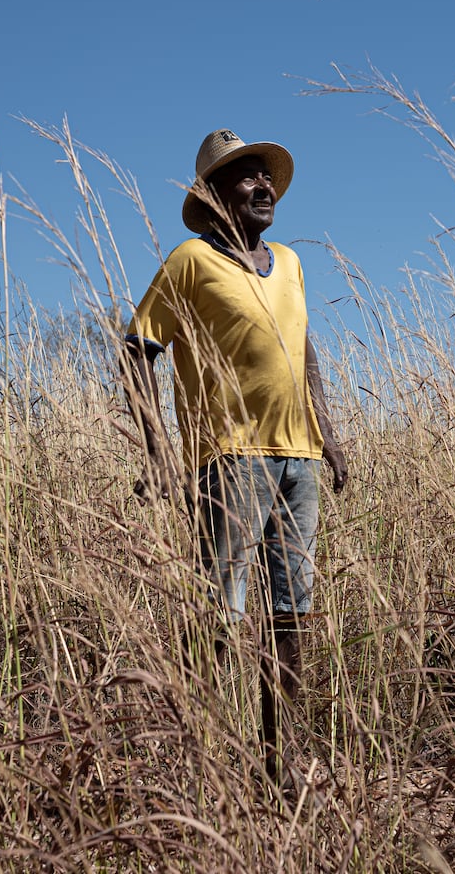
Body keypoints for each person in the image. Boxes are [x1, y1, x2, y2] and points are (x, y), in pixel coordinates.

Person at [121, 128, 348, 787]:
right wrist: (160, 449)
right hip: (230, 460)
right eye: (244, 177)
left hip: (297, 460)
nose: (262, 186)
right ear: (214, 194)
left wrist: (327, 432)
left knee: (292, 617)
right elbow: (138, 350)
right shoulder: (190, 261)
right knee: (220, 617)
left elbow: (303, 350)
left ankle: (279, 769)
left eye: (265, 175)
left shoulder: (291, 261)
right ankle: (203, 763)